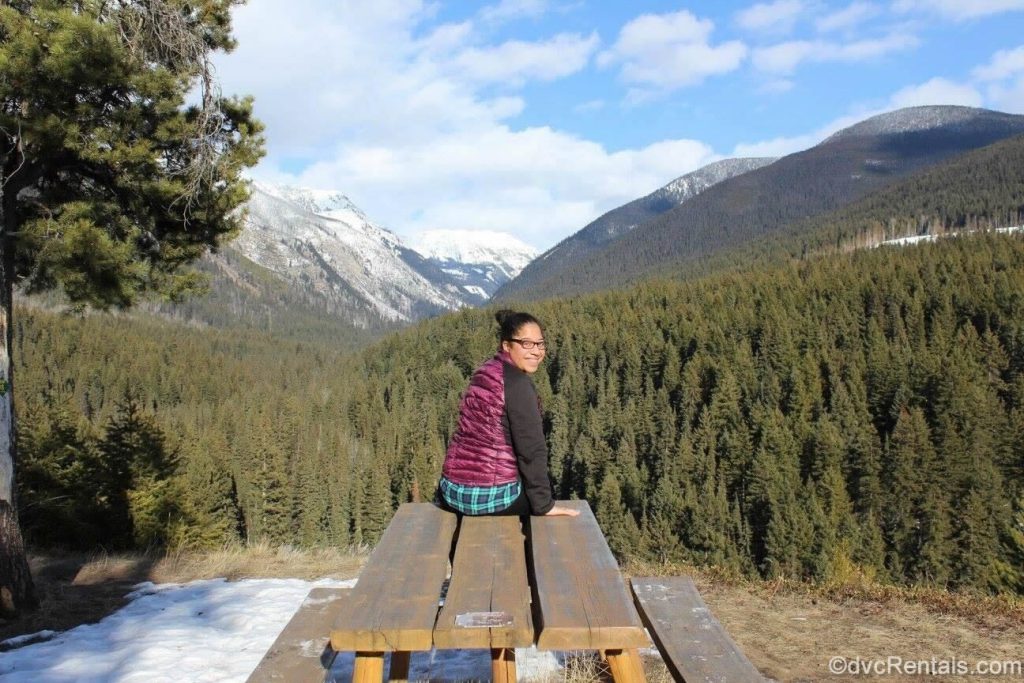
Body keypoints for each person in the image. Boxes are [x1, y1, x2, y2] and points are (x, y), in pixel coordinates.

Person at [436, 310, 580, 518]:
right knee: (543, 499)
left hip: (451, 493)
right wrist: (544, 505)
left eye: (540, 344)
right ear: (506, 345)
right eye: (526, 344)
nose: (537, 351)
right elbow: (531, 450)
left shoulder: (485, 371)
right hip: (488, 498)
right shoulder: (518, 385)